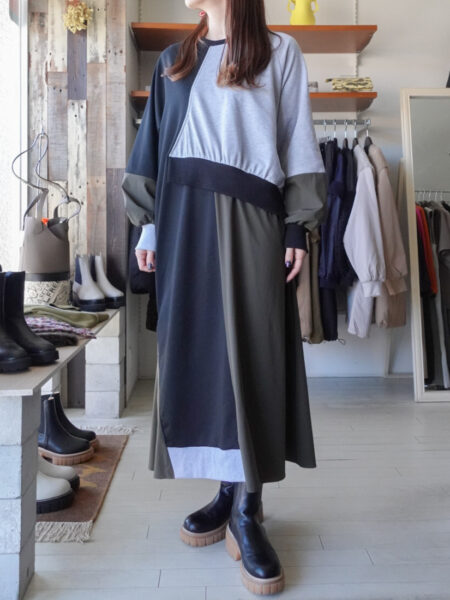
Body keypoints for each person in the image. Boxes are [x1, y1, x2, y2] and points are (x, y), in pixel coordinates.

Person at [121, 0, 327, 594]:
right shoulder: (173, 60)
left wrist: (297, 227)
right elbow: (152, 147)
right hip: (183, 222)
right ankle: (227, 490)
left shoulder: (279, 52)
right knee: (203, 354)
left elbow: (297, 138)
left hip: (253, 220)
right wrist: (148, 227)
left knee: (252, 354)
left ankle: (248, 504)